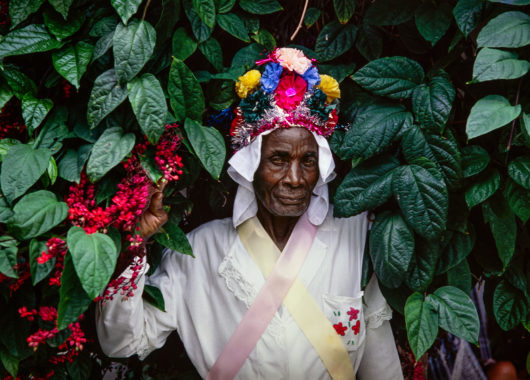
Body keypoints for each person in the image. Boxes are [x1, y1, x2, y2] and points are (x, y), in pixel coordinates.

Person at [96, 47, 404, 380]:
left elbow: (381, 363)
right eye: (278, 160)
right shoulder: (198, 253)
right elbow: (122, 343)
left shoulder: (356, 236)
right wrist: (132, 246)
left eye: (308, 161)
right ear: (251, 166)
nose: (295, 179)